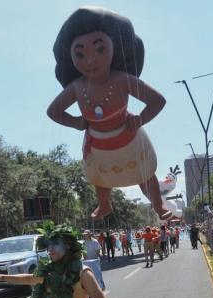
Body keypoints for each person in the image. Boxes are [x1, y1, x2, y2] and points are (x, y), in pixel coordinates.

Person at [47, 6, 171, 220]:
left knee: (145, 173)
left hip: (128, 135)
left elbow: (157, 101)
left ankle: (158, 205)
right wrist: (75, 122)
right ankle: (104, 205)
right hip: (97, 142)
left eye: (99, 49)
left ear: (115, 47)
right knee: (101, 179)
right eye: (80, 54)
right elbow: (53, 111)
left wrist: (140, 119)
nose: (91, 60)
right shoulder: (77, 87)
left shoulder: (122, 79)